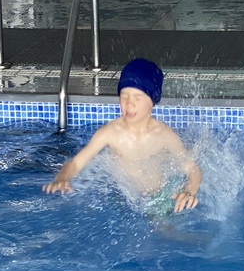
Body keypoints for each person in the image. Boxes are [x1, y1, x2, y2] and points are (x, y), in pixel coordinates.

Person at [43, 58, 202, 213]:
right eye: (124, 96)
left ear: (152, 100)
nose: (129, 103)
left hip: (158, 194)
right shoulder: (109, 132)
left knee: (164, 232)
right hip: (123, 195)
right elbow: (76, 163)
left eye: (137, 97)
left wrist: (189, 190)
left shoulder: (164, 135)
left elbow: (191, 168)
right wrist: (62, 178)